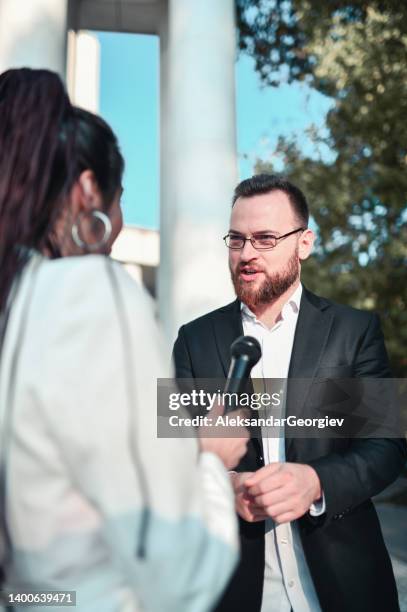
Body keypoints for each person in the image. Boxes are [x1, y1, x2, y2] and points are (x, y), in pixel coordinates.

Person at [0, 68, 249, 612]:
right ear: (89, 191)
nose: (120, 218)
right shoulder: (88, 293)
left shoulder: (14, 303)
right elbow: (176, 574)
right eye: (119, 198)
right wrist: (209, 461)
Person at [173, 173, 407, 612]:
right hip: (234, 590)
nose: (247, 254)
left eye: (265, 238)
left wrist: (317, 483)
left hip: (346, 588)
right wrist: (225, 486)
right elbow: (172, 460)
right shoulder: (194, 340)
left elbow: (387, 449)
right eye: (236, 240)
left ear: (304, 243)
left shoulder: (353, 332)